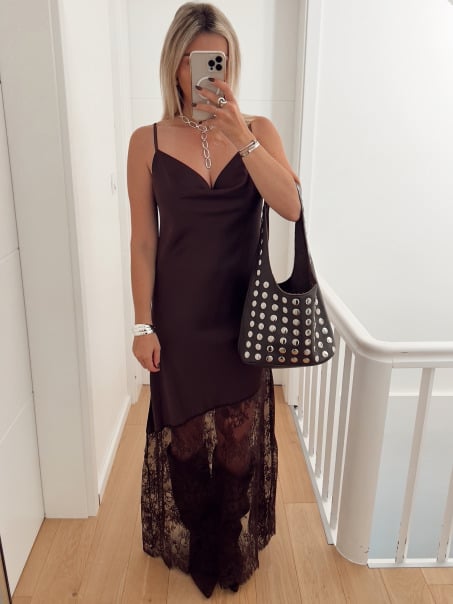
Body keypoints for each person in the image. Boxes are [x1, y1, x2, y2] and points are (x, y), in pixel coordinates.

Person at [127, 2, 301, 598]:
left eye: (215, 60)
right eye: (191, 60)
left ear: (230, 64)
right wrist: (142, 324)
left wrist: (240, 137)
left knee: (237, 433)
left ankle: (227, 536)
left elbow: (290, 206)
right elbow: (143, 241)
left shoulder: (260, 131)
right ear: (174, 65)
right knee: (182, 435)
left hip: (242, 318)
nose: (202, 73)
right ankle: (200, 535)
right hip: (178, 320)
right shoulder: (146, 142)